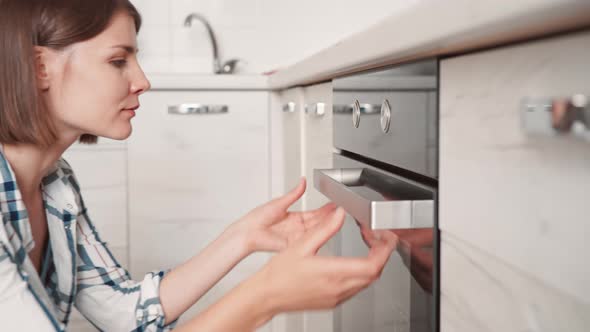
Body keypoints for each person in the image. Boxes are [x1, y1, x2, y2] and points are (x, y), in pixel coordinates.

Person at [0, 0, 397, 331]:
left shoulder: (56, 185)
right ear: (40, 68)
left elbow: (125, 312)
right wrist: (267, 295)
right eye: (118, 60)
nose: (142, 81)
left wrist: (242, 238)